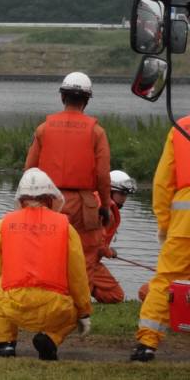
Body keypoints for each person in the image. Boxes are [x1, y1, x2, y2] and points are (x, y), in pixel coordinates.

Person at [0, 168, 92, 361]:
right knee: (73, 311)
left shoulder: (4, 224)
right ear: (51, 198)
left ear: (21, 199)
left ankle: (5, 343)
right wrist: (84, 311)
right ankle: (51, 338)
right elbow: (77, 275)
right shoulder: (66, 227)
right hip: (54, 309)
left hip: (13, 305)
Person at [24, 72, 111, 291]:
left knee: (47, 253)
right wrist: (106, 206)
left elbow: (29, 170)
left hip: (49, 202)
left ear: (63, 97)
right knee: (84, 257)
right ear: (87, 100)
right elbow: (102, 175)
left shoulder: (43, 129)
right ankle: (79, 312)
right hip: (84, 206)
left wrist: (27, 204)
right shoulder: (97, 132)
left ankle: (47, 306)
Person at [130, 116, 190, 362]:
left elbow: (163, 183)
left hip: (185, 219)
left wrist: (165, 225)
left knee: (166, 280)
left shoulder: (182, 127)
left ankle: (147, 343)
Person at [91, 170, 136, 304]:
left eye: (126, 194)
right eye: (121, 193)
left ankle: (81, 285)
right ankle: (80, 286)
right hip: (87, 261)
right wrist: (109, 252)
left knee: (114, 295)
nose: (124, 198)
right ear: (109, 191)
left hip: (87, 259)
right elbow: (94, 241)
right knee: (116, 296)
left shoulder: (96, 203)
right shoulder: (105, 211)